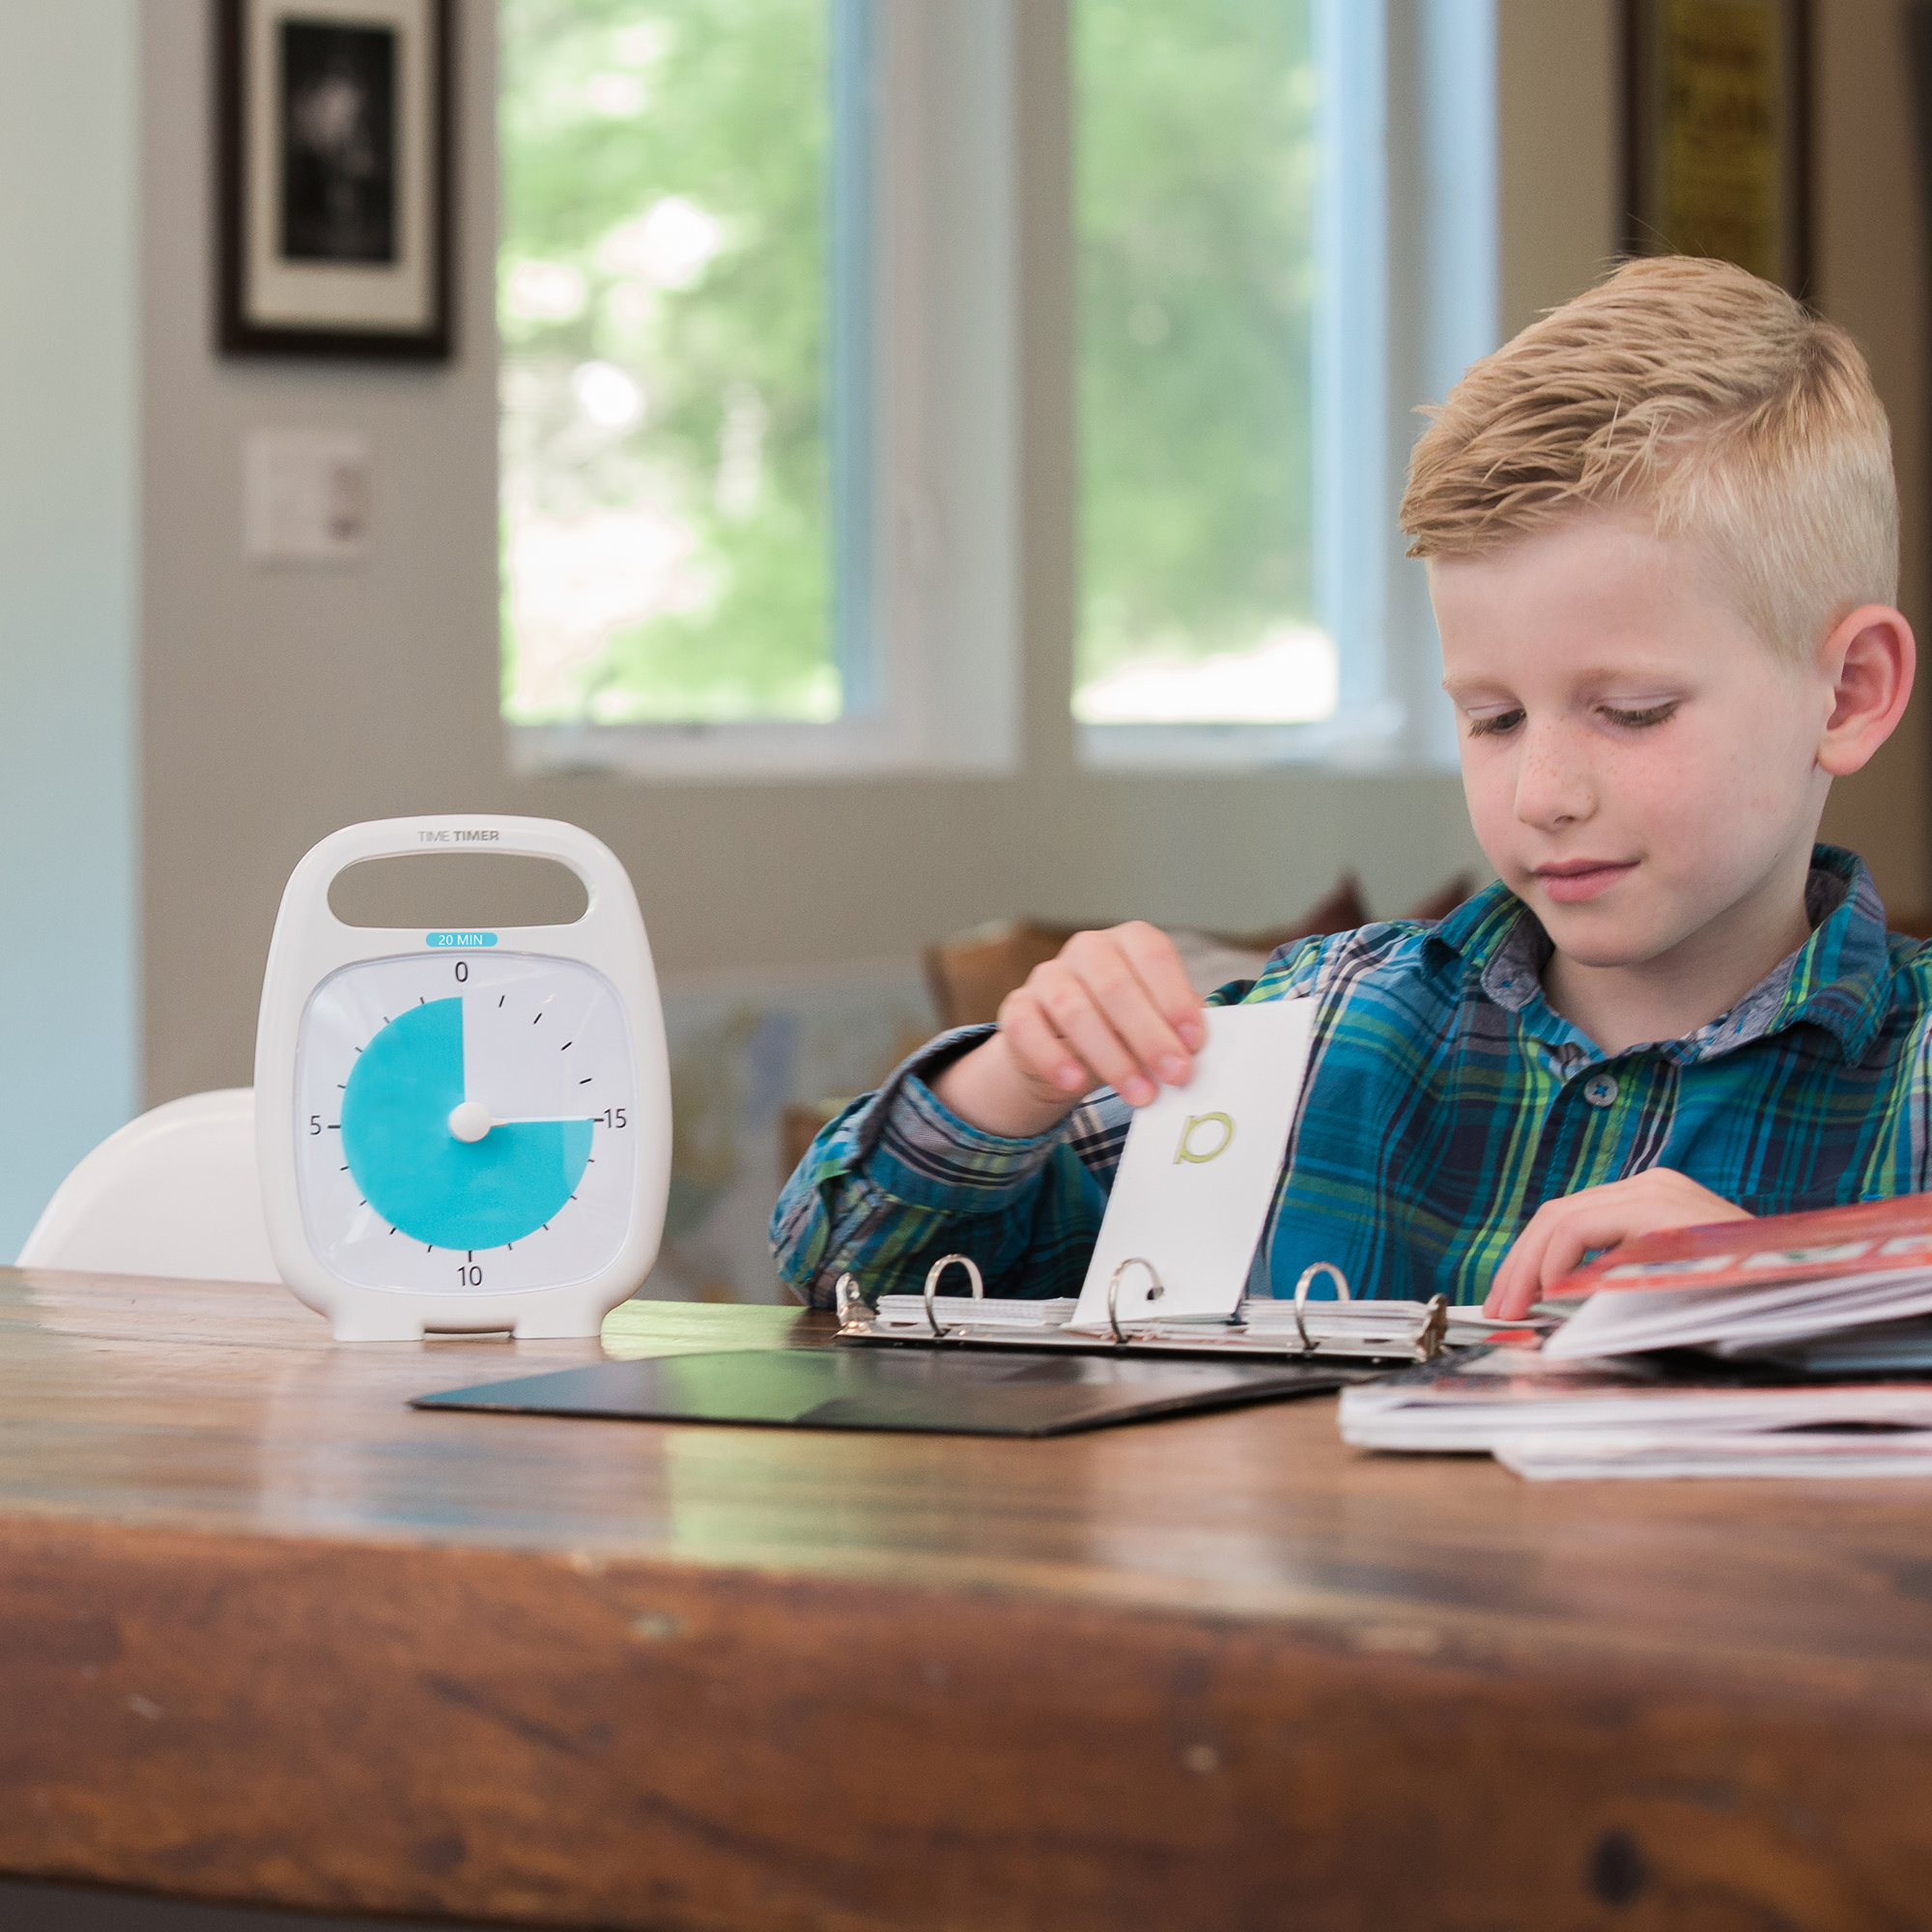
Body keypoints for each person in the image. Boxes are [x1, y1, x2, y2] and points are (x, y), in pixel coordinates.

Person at [772, 256, 1923, 1319]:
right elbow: (837, 1267)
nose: (1541, 793)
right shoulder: (1314, 1034)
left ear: (1848, 693)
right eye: (1490, 717)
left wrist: (1804, 1296)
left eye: (1629, 713)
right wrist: (1013, 1078)